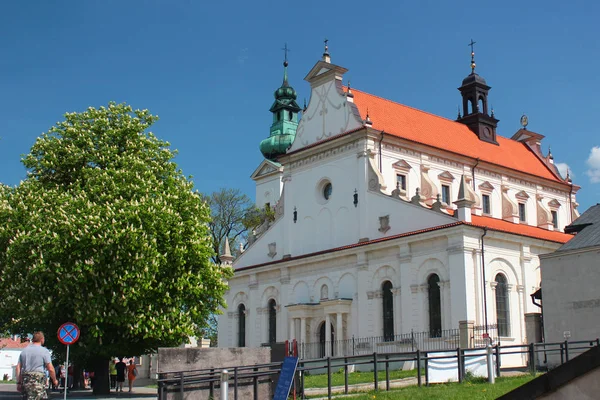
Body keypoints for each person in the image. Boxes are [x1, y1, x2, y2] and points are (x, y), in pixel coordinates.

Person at [15, 332, 58, 400]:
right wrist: (54, 380)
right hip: (38, 380)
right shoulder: (44, 351)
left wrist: (18, 382)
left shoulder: (24, 351)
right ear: (42, 339)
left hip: (26, 380)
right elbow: (50, 368)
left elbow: (18, 368)